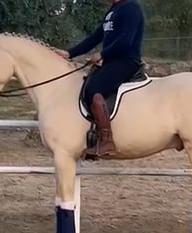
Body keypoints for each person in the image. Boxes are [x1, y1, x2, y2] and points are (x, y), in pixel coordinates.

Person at [56, 0, 145, 158]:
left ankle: (107, 140)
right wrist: (69, 53)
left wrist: (102, 54)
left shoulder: (131, 8)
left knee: (92, 89)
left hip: (127, 61)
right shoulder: (113, 10)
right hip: (112, 61)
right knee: (87, 84)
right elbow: (95, 38)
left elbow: (125, 41)